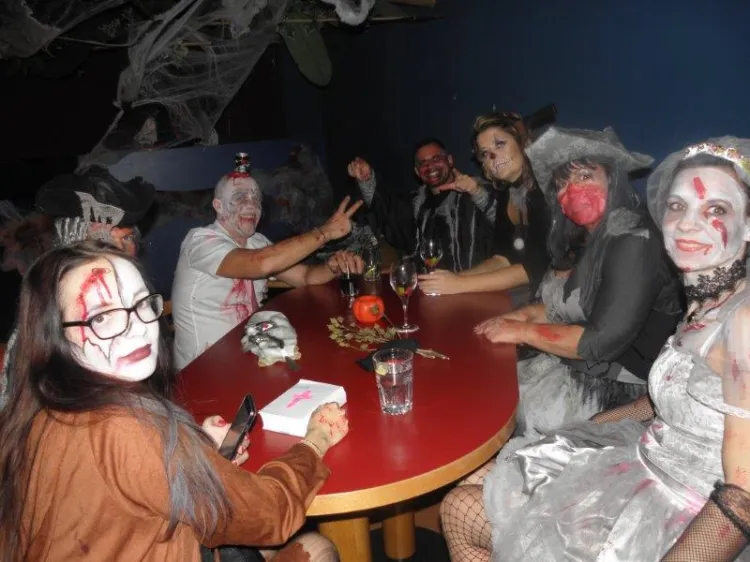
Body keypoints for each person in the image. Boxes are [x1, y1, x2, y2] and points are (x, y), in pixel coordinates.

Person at [441, 136, 750, 562]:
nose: (686, 223)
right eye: (677, 206)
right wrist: (579, 435)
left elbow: (741, 497)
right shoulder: (704, 302)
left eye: (715, 209)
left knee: (461, 506)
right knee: (464, 496)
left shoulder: (742, 320)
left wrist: (524, 332)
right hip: (642, 458)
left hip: (680, 515)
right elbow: (658, 402)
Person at [0, 240, 347, 561]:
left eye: (140, 303)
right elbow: (271, 514)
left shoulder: (34, 413)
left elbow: (129, 486)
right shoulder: (128, 429)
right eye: (102, 317)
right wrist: (315, 440)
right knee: (317, 548)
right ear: (54, 336)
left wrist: (194, 447)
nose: (137, 327)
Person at [476, 126, 682, 434]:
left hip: (620, 385)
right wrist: (519, 316)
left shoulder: (634, 239)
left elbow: (601, 342)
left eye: (585, 176)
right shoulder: (585, 237)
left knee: (509, 412)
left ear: (612, 180)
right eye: (562, 183)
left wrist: (521, 330)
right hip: (574, 365)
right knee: (486, 388)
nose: (572, 189)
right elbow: (569, 306)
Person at [172, 165, 364, 370]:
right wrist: (325, 232)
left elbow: (305, 276)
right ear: (218, 205)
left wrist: (332, 267)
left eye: (256, 198)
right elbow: (261, 264)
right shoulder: (200, 241)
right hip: (201, 368)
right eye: (240, 197)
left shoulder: (257, 242)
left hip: (249, 356)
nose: (251, 204)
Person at [0, 166, 157, 409]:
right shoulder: (49, 311)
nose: (120, 251)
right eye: (103, 241)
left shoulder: (133, 300)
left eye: (126, 238)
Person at [418, 112, 551, 300]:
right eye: (485, 153)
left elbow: (536, 267)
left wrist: (460, 284)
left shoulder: (546, 189)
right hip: (531, 292)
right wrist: (452, 279)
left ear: (522, 142)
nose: (493, 156)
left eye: (500, 144)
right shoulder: (507, 193)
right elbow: (502, 259)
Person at [347, 138, 496, 272]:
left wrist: (476, 192)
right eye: (422, 163)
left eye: (436, 158)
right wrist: (366, 179)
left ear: (450, 160)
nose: (429, 166)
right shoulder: (415, 203)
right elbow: (386, 210)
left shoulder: (476, 190)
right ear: (417, 172)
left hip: (475, 284)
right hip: (428, 286)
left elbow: (500, 218)